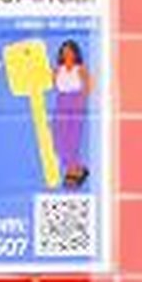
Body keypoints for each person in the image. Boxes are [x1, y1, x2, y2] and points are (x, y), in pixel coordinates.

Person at [51, 37, 91, 189]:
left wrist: (80, 103)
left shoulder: (80, 69)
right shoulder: (57, 70)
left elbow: (87, 88)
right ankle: (77, 168)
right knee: (59, 139)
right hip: (61, 102)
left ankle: (73, 171)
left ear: (75, 53)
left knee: (72, 140)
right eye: (64, 52)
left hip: (76, 102)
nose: (67, 54)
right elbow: (53, 84)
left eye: (70, 52)